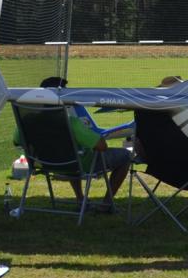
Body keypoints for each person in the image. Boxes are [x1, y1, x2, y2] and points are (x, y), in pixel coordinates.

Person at [18, 75, 133, 210]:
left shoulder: (27, 120)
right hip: (77, 164)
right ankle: (106, 203)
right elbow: (102, 146)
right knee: (125, 156)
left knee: (71, 156)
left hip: (45, 164)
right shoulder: (71, 123)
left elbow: (17, 141)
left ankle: (80, 198)